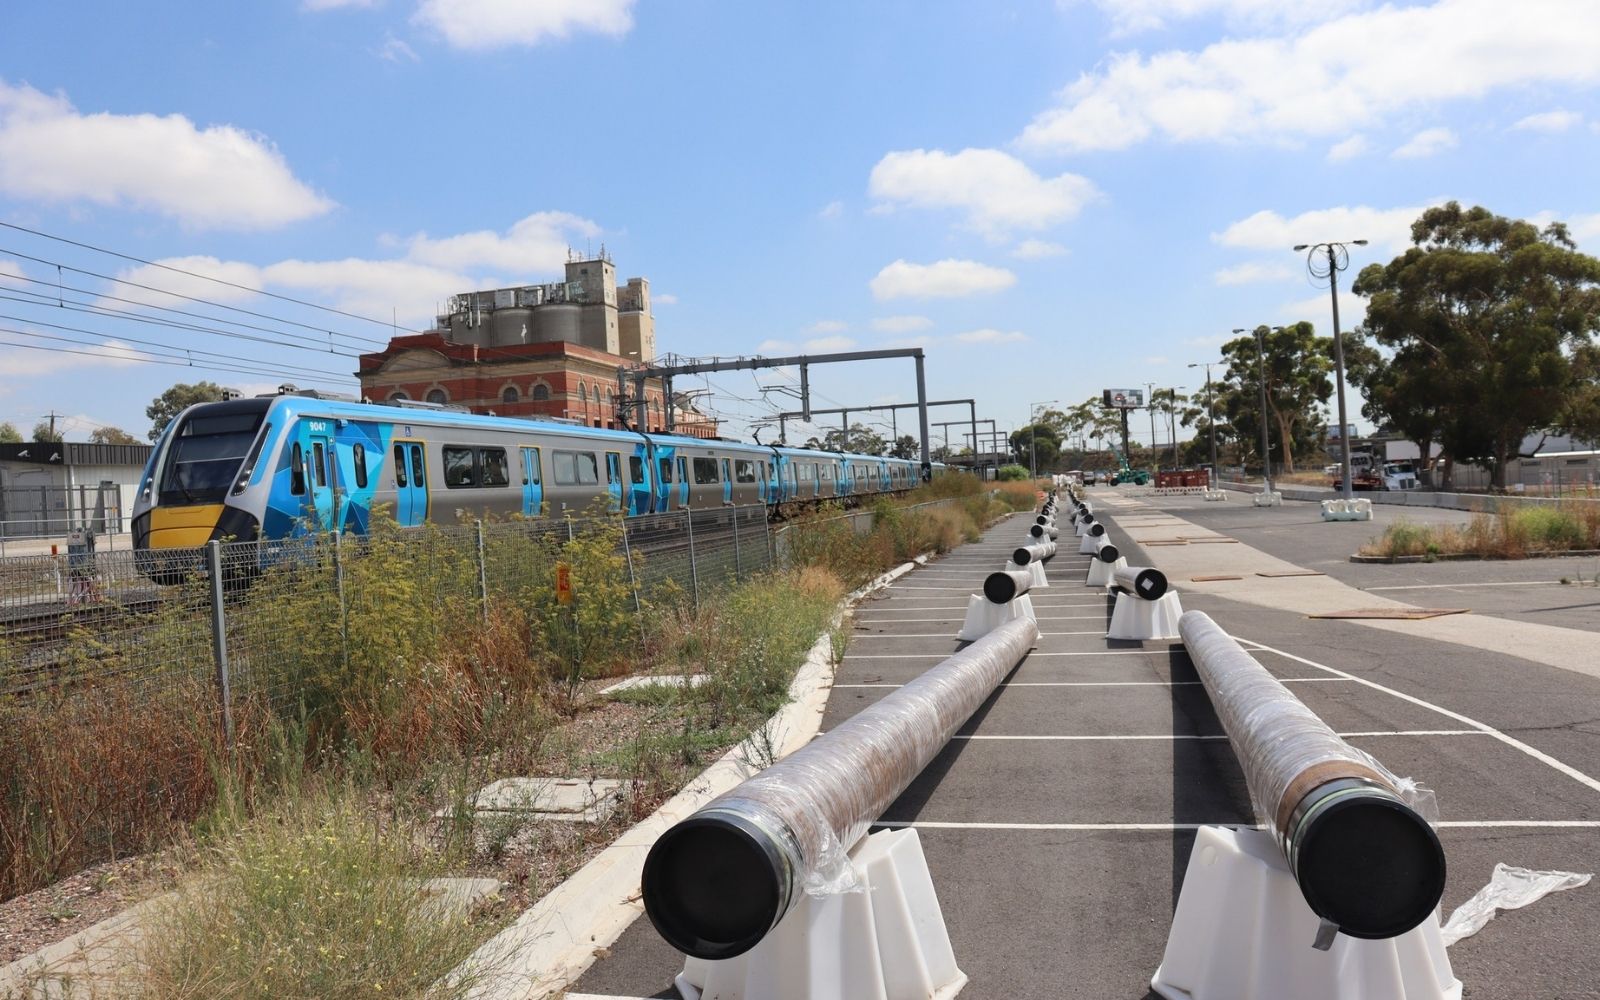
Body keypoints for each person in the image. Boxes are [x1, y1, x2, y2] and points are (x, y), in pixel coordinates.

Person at [66, 525, 98, 605]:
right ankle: (80, 598)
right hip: (82, 568)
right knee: (83, 581)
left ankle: (79, 598)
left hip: (83, 568)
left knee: (84, 581)